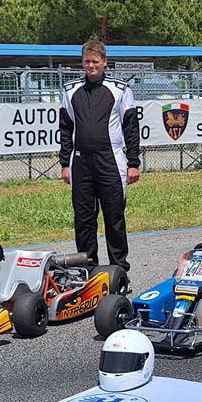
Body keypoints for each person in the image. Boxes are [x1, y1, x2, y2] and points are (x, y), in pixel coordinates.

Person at [59, 39, 141, 270]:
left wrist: (133, 163)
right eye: (87, 61)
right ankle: (86, 269)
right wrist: (65, 163)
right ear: (82, 63)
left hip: (110, 160)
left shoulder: (120, 89)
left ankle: (119, 269)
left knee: (114, 217)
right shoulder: (70, 90)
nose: (91, 66)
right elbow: (65, 128)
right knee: (83, 219)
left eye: (95, 61)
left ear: (105, 62)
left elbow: (131, 128)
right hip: (81, 161)